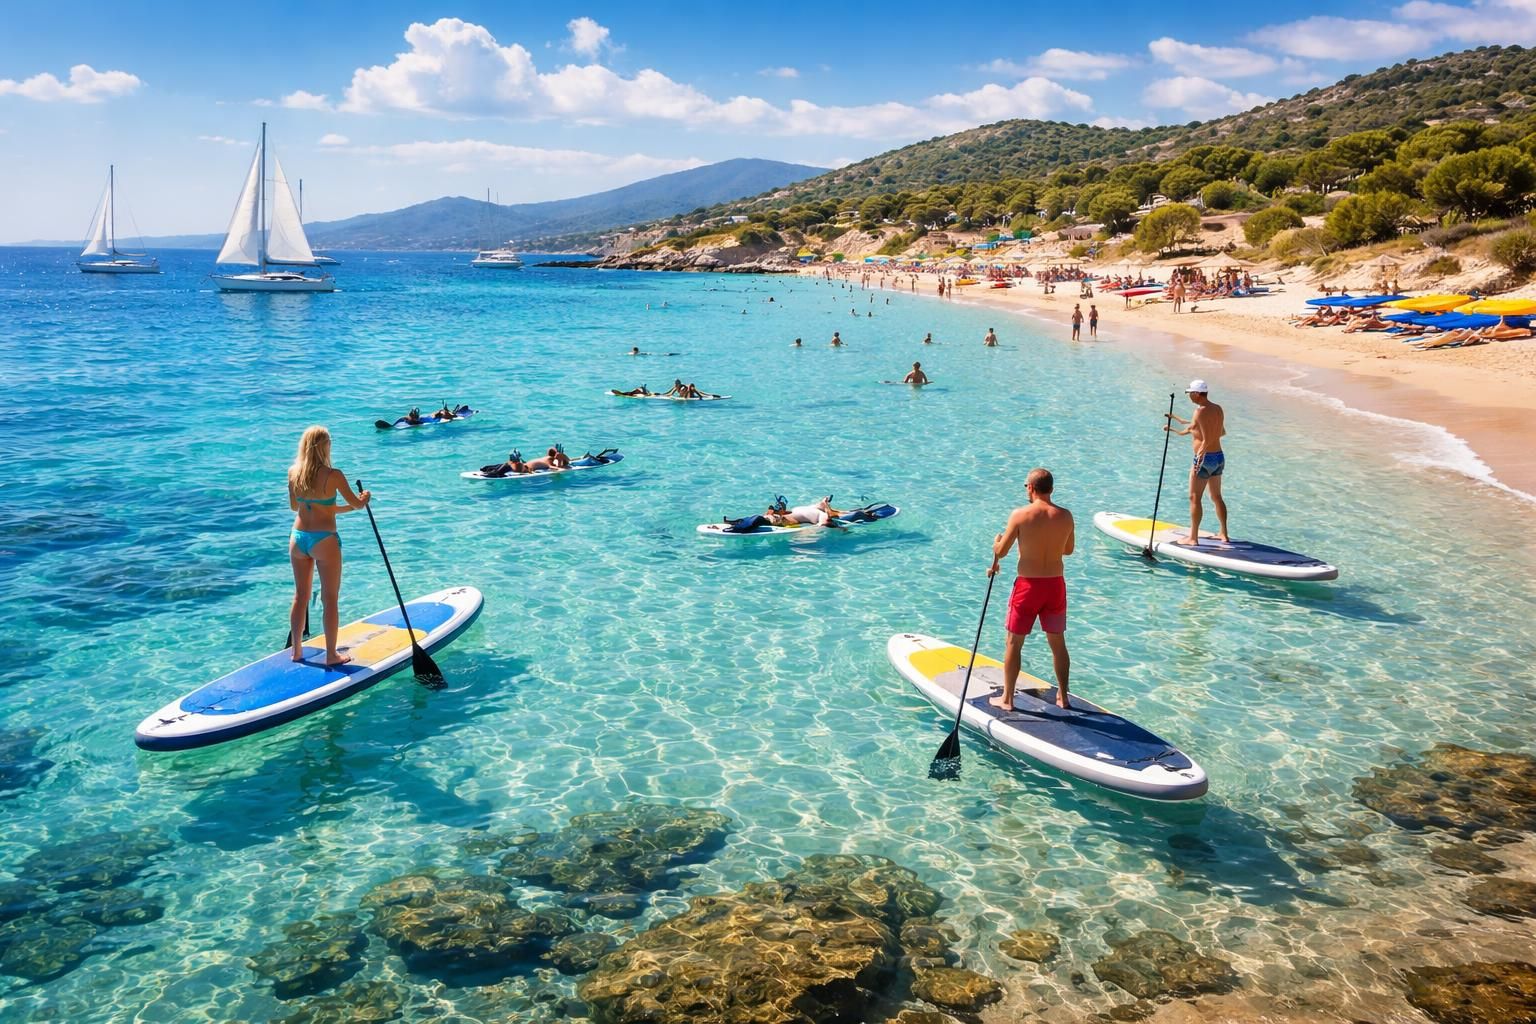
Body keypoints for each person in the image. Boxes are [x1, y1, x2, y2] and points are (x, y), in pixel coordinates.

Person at [988, 468, 1073, 711]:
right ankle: (1064, 697)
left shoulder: (1020, 514)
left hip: (1028, 586)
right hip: (1055, 585)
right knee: (1058, 643)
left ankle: (1007, 700)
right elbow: (1068, 550)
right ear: (1052, 489)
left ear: (1030, 488)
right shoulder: (1066, 516)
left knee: (1014, 642)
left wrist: (996, 545)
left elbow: (1001, 552)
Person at [287, 426, 370, 666]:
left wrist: (333, 508)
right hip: (324, 539)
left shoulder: (294, 472)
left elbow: (298, 507)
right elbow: (356, 504)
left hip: (298, 537)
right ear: (324, 446)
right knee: (329, 598)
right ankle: (331, 655)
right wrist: (365, 498)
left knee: (300, 595)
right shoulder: (333, 475)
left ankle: (296, 651)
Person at [1165, 379, 1228, 545]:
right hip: (1219, 457)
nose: (1189, 396)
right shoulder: (1218, 409)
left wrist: (1201, 452)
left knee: (1194, 498)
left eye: (1190, 393)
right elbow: (1221, 432)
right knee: (1217, 496)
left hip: (1204, 458)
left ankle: (1192, 538)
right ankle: (1224, 533)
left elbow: (1206, 437)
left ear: (1198, 394)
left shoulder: (1199, 411)